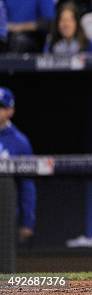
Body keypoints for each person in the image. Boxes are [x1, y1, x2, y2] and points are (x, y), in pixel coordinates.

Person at [0, 87, 36, 243]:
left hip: (4, 214)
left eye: (0, 107)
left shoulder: (19, 141)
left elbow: (26, 184)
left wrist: (27, 221)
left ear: (10, 111)